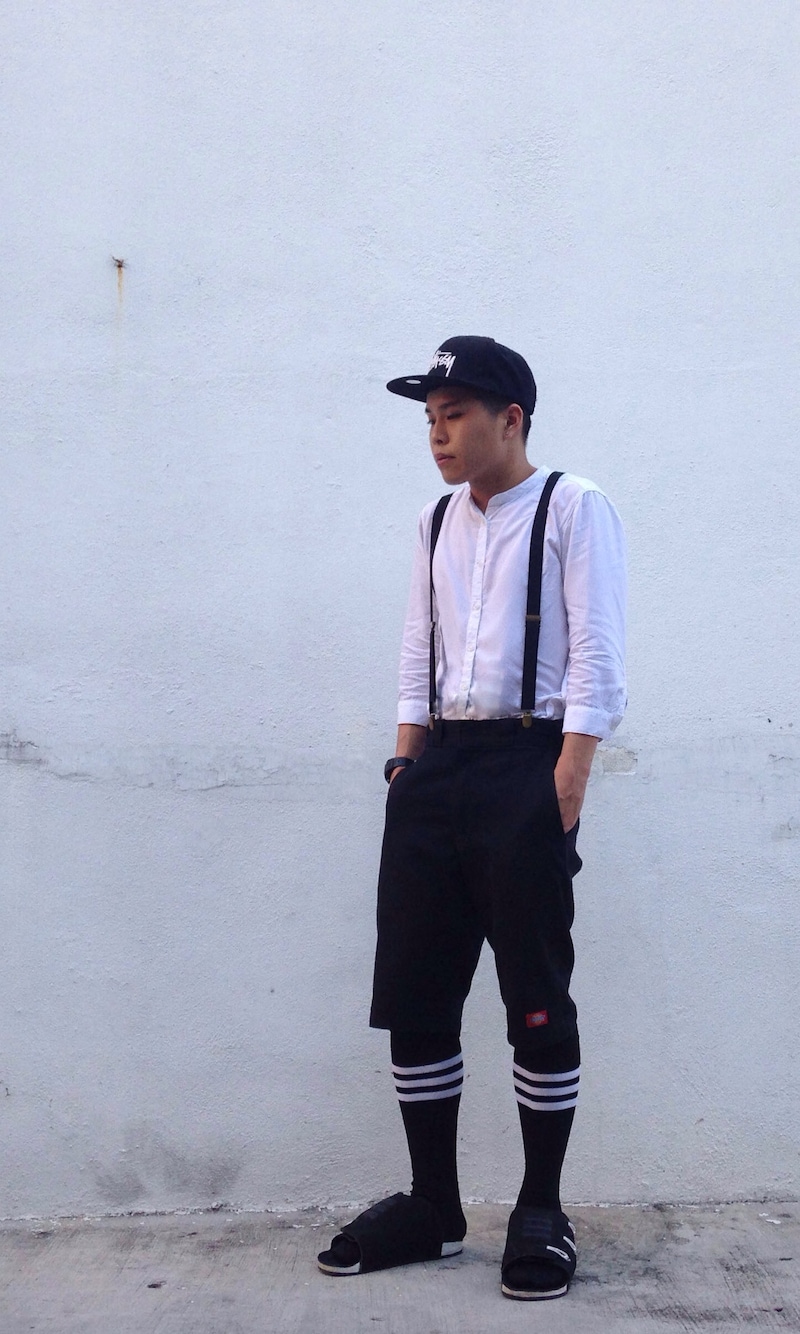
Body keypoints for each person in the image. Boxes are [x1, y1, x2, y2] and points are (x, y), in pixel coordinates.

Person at [317, 336, 627, 1300]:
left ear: (511, 419)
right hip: (437, 769)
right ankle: (434, 1206)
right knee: (417, 991)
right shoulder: (434, 520)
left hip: (528, 765)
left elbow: (598, 657)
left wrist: (565, 786)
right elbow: (419, 651)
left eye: (454, 415)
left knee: (535, 995)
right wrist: (406, 765)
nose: (437, 434)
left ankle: (541, 1206)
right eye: (430, 418)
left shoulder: (574, 506)